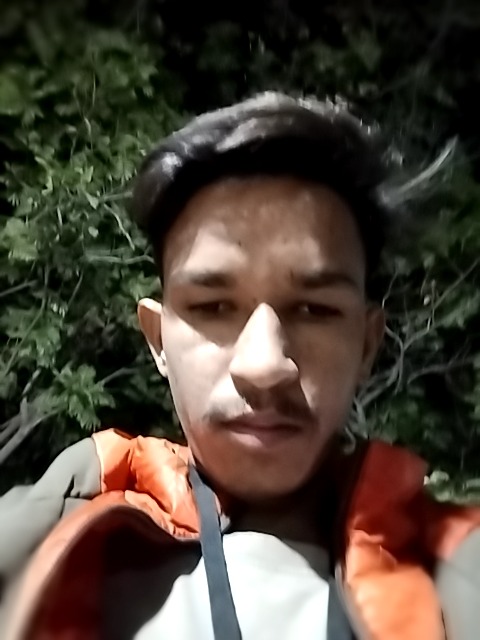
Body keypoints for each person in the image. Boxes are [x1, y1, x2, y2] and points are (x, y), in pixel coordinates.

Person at [1, 92, 479, 640]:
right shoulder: (40, 533)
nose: (264, 365)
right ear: (158, 340)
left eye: (315, 310)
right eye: (213, 307)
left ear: (367, 345)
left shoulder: (456, 570)